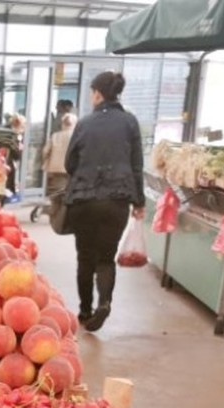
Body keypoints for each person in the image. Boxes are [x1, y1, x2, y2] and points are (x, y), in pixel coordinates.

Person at [64, 71, 145, 332]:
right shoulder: (130, 122)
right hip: (117, 200)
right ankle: (105, 303)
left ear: (98, 93)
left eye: (91, 92)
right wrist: (139, 201)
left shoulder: (85, 123)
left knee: (85, 257)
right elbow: (136, 166)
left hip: (84, 199)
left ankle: (85, 311)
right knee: (106, 258)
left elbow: (69, 163)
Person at [43, 112, 77, 200]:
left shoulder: (55, 136)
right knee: (69, 194)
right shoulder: (77, 136)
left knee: (55, 194)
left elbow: (45, 151)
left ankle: (55, 211)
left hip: (55, 170)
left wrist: (46, 162)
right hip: (71, 170)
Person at [5, 113, 25, 201]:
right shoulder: (14, 136)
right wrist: (20, 148)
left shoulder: (7, 133)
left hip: (7, 161)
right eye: (23, 126)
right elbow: (16, 154)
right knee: (8, 183)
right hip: (8, 162)